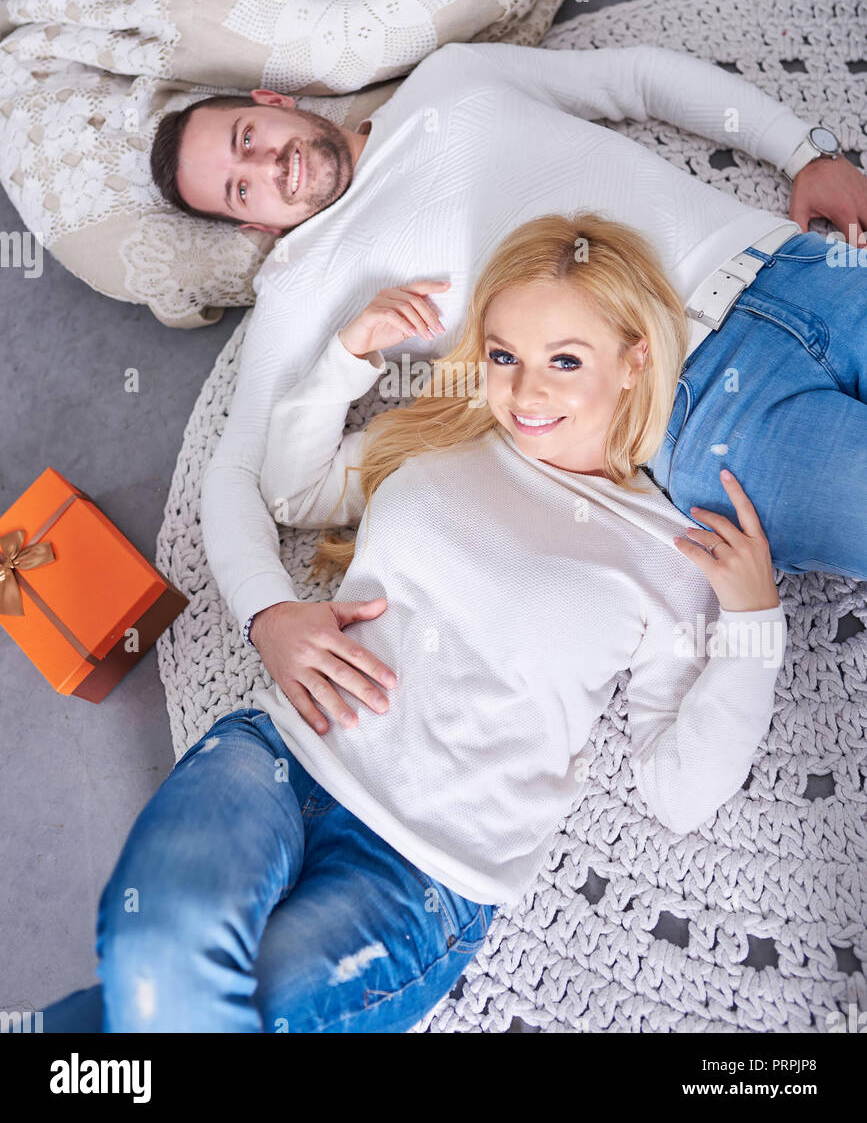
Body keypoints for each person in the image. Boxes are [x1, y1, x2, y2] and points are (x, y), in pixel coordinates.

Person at [41, 213, 787, 1033]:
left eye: (564, 361)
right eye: (503, 356)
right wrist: (344, 356)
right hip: (281, 759)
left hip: (421, 868)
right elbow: (286, 489)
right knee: (165, 944)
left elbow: (679, 793)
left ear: (633, 357)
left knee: (217, 1020)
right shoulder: (438, 441)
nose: (525, 392)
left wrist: (754, 625)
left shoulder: (668, 558)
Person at [147, 40, 866, 738]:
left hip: (790, 261)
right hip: (702, 410)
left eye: (248, 137)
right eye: (242, 187)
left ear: (271, 101)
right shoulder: (299, 280)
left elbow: (635, 79)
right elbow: (239, 469)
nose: (272, 167)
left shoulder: (450, 77)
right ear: (251, 222)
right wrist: (266, 613)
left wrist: (808, 151)